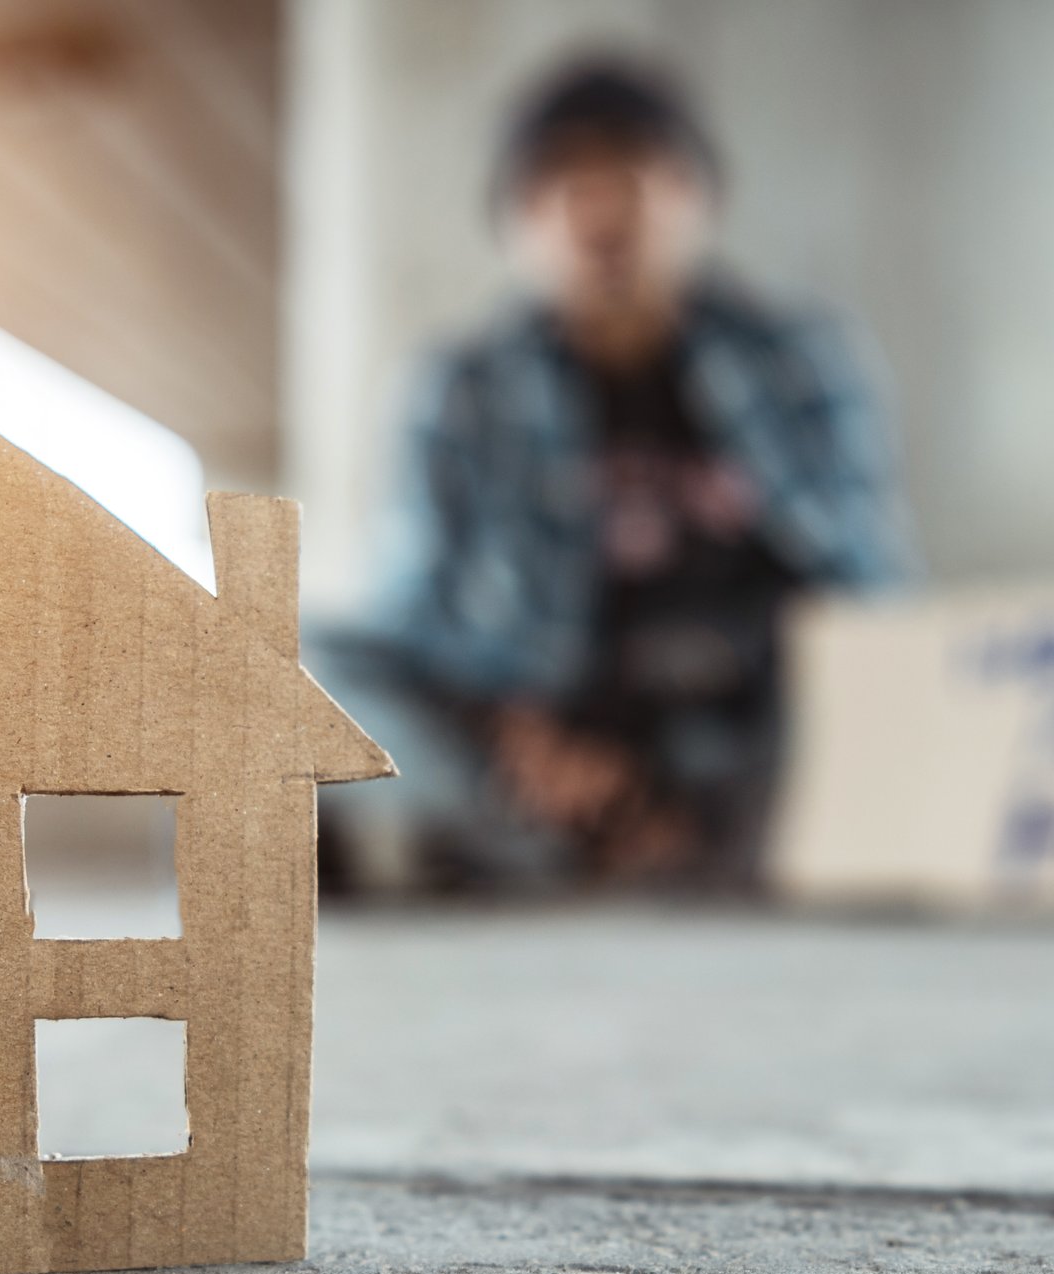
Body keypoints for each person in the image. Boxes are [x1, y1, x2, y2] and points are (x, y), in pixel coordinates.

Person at [323, 57, 913, 891]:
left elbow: (872, 591)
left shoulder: (804, 360)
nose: (601, 211)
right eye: (560, 183)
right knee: (296, 659)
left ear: (699, 199)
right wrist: (516, 737)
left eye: (634, 175)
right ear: (516, 224)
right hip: (545, 736)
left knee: (889, 673)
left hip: (742, 733)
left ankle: (551, 848)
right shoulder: (459, 387)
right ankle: (555, 836)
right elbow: (414, 614)